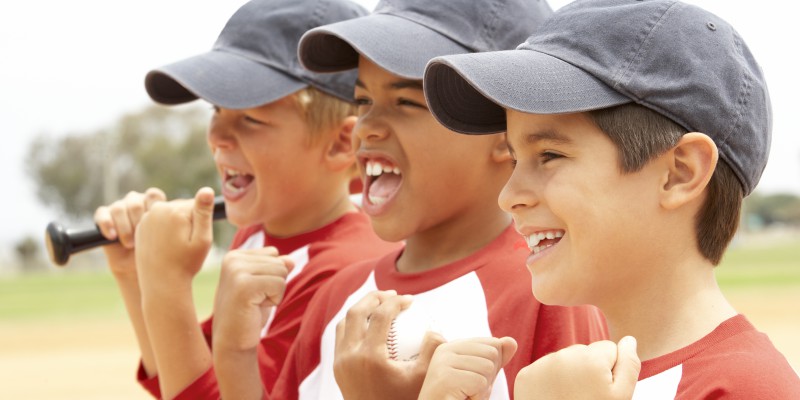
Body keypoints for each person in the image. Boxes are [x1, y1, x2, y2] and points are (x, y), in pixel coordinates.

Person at [209, 0, 609, 399]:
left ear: (506, 133)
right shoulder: (339, 295)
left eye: (407, 102)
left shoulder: (548, 296)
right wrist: (235, 354)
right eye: (363, 100)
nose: (367, 128)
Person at [419, 0, 800, 398]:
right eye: (515, 159)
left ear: (679, 173)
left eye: (549, 155)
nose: (508, 195)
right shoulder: (576, 382)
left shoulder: (748, 387)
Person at [92, 0, 401, 399]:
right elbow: (186, 374)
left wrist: (165, 283)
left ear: (342, 142)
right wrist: (136, 276)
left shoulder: (345, 270)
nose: (217, 136)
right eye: (216, 110)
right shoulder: (260, 233)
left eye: (251, 119)